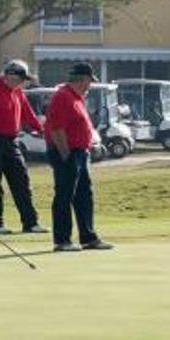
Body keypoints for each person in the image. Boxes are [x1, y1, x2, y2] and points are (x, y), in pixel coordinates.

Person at [45, 62, 113, 252]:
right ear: (82, 80)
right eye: (89, 81)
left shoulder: (77, 97)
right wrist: (65, 154)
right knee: (65, 195)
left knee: (84, 195)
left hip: (80, 152)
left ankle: (88, 237)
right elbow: (57, 129)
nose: (90, 85)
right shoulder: (63, 97)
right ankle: (62, 240)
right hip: (67, 152)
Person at [0, 59, 47, 235]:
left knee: (22, 181)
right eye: (20, 79)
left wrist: (41, 130)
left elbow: (28, 113)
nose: (22, 83)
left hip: (12, 141)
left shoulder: (18, 92)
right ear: (10, 75)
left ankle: (30, 222)